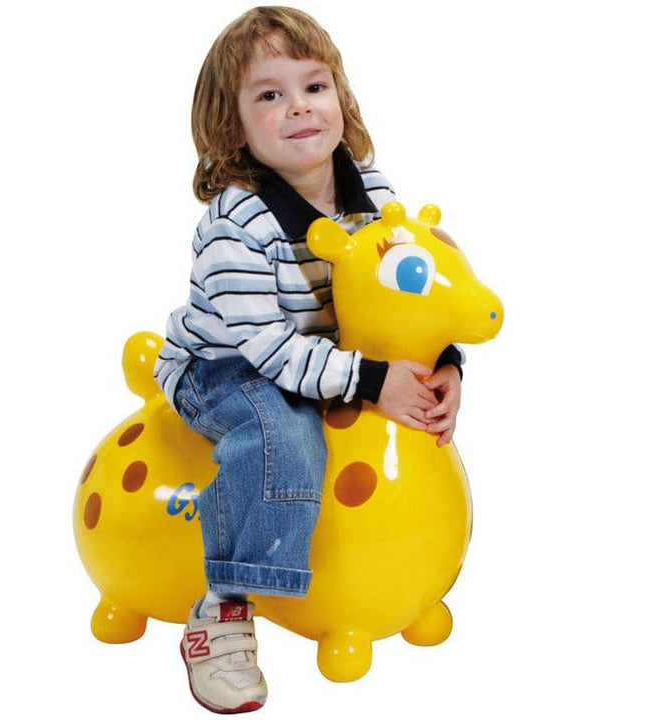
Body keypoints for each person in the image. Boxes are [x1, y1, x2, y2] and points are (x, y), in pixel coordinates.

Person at [154, 6, 463, 714]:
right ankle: (224, 608)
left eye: (314, 86)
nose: (299, 106)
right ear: (233, 127)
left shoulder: (373, 192)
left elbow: (407, 291)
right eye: (270, 94)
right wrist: (371, 380)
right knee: (283, 437)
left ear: (340, 99)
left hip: (327, 355)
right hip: (225, 366)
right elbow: (266, 347)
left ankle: (404, 579)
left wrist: (441, 363)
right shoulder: (235, 223)